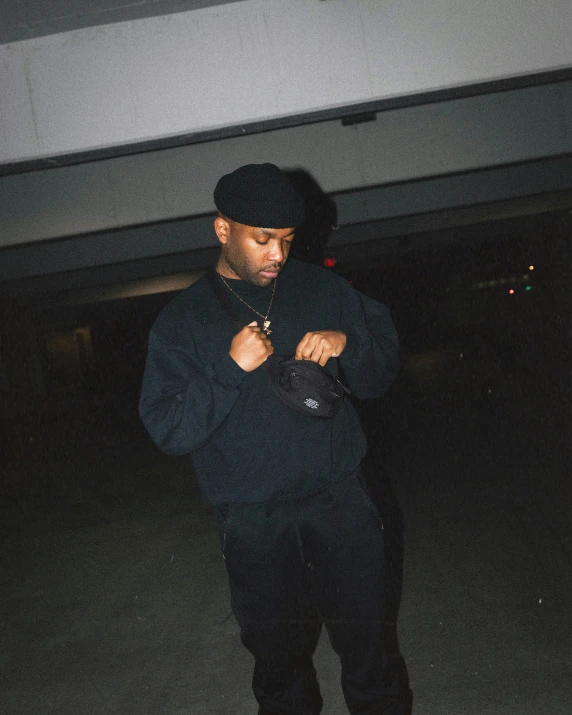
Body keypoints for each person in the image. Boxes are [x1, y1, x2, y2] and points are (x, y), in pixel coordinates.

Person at [139, 163, 401, 714]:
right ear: (222, 231)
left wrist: (347, 341)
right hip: (254, 523)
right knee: (280, 673)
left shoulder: (323, 289)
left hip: (340, 507)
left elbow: (380, 376)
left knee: (370, 653)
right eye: (262, 241)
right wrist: (230, 368)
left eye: (285, 240)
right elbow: (167, 428)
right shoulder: (183, 321)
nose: (277, 255)